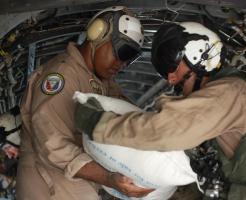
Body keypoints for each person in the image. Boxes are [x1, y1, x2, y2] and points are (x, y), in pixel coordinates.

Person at [75, 22, 246, 199]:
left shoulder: (230, 91)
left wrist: (97, 124)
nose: (170, 78)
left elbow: (165, 130)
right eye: (165, 71)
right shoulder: (217, 100)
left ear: (198, 51)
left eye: (170, 64)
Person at [16, 6, 153, 200]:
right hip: (49, 184)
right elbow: (53, 144)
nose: (121, 64)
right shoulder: (63, 75)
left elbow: (125, 111)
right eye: (122, 52)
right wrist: (108, 178)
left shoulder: (101, 81)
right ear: (97, 34)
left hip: (73, 184)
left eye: (129, 59)